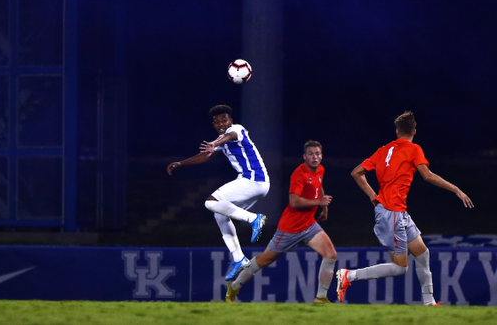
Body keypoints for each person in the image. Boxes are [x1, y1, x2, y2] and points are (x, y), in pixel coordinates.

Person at [336, 111, 474, 305]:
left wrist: (373, 196)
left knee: (422, 253)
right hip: (391, 212)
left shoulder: (383, 150)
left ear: (397, 131)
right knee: (400, 268)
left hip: (396, 211)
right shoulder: (414, 149)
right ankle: (349, 276)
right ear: (414, 131)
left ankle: (429, 303)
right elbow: (427, 175)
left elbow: (356, 172)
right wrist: (456, 189)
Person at [225, 140, 337, 304]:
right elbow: (294, 202)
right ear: (305, 156)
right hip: (290, 228)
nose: (315, 157)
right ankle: (234, 286)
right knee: (265, 259)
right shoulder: (299, 174)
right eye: (311, 154)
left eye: (318, 153)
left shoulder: (320, 169)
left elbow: (318, 186)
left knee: (331, 255)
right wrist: (318, 203)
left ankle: (320, 298)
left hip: (309, 224)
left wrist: (324, 207)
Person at [167, 104, 269, 281]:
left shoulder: (236, 129)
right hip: (253, 184)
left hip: (253, 179)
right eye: (217, 121)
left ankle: (253, 218)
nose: (221, 123)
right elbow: (206, 156)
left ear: (230, 120)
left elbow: (230, 136)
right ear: (213, 124)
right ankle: (239, 259)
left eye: (224, 119)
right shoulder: (222, 140)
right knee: (220, 214)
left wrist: (214, 143)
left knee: (210, 202)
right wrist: (181, 163)